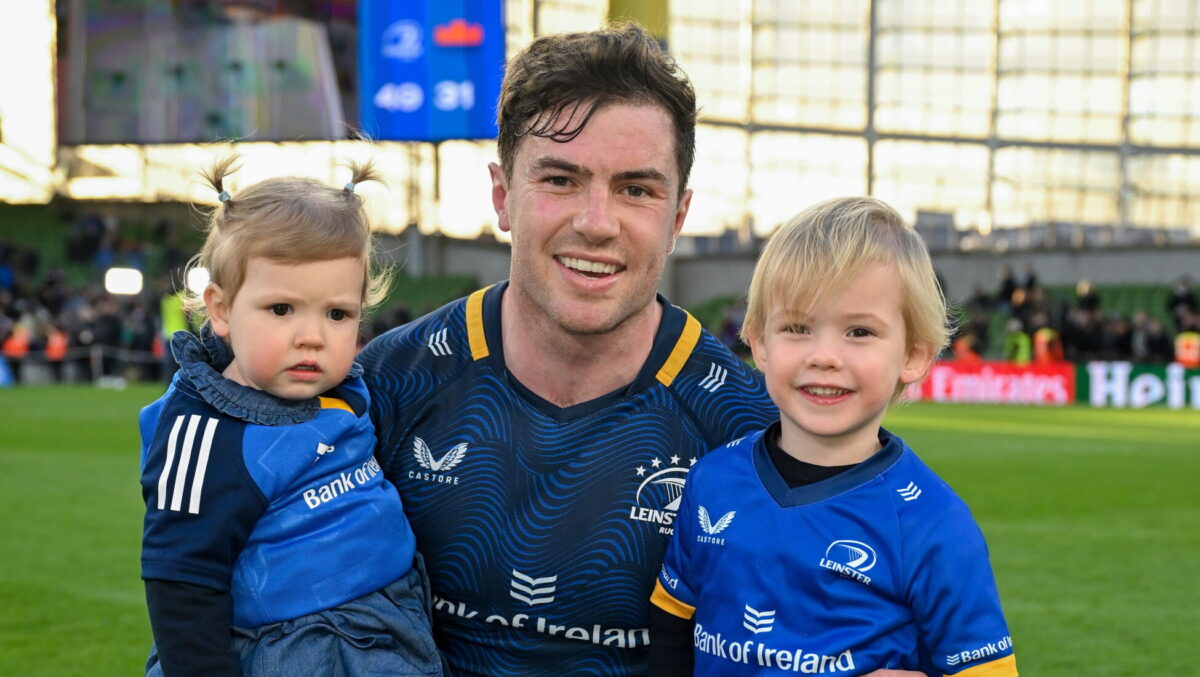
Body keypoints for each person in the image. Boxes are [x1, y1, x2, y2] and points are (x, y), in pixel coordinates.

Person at [358, 22, 925, 677]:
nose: (597, 223)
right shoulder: (381, 391)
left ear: (677, 216)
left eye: (636, 189)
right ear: (501, 195)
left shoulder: (759, 438)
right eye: (561, 180)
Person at [649, 197, 1018, 676]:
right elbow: (671, 628)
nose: (824, 356)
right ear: (759, 341)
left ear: (914, 355)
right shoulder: (713, 478)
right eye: (797, 327)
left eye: (859, 332)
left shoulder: (932, 523)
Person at [138, 158, 441, 677]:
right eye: (282, 309)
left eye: (337, 314)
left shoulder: (346, 392)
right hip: (298, 647)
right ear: (222, 309)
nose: (313, 335)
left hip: (393, 624)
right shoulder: (207, 432)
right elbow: (181, 581)